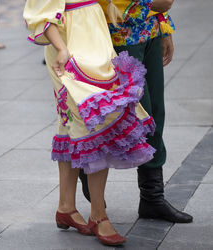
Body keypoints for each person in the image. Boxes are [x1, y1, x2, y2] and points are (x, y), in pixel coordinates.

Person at [24, 0, 157, 246]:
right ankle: (98, 215)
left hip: (96, 42)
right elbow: (40, 11)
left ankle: (66, 207)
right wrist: (61, 49)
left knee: (71, 124)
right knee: (93, 125)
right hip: (70, 48)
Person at [79, 0, 193, 223]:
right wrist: (150, 2)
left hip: (148, 28)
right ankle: (88, 170)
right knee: (130, 115)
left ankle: (152, 197)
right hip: (118, 31)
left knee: (155, 114)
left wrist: (163, 24)